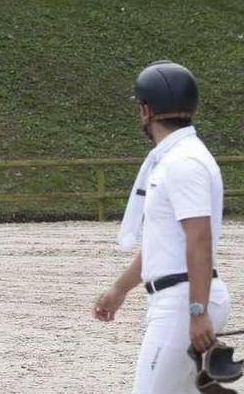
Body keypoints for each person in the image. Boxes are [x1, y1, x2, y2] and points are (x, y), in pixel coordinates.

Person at [93, 61, 231, 394]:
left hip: (183, 303)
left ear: (146, 109)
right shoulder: (173, 159)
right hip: (177, 298)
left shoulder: (183, 162)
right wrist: (120, 288)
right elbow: (163, 243)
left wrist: (196, 313)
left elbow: (199, 239)